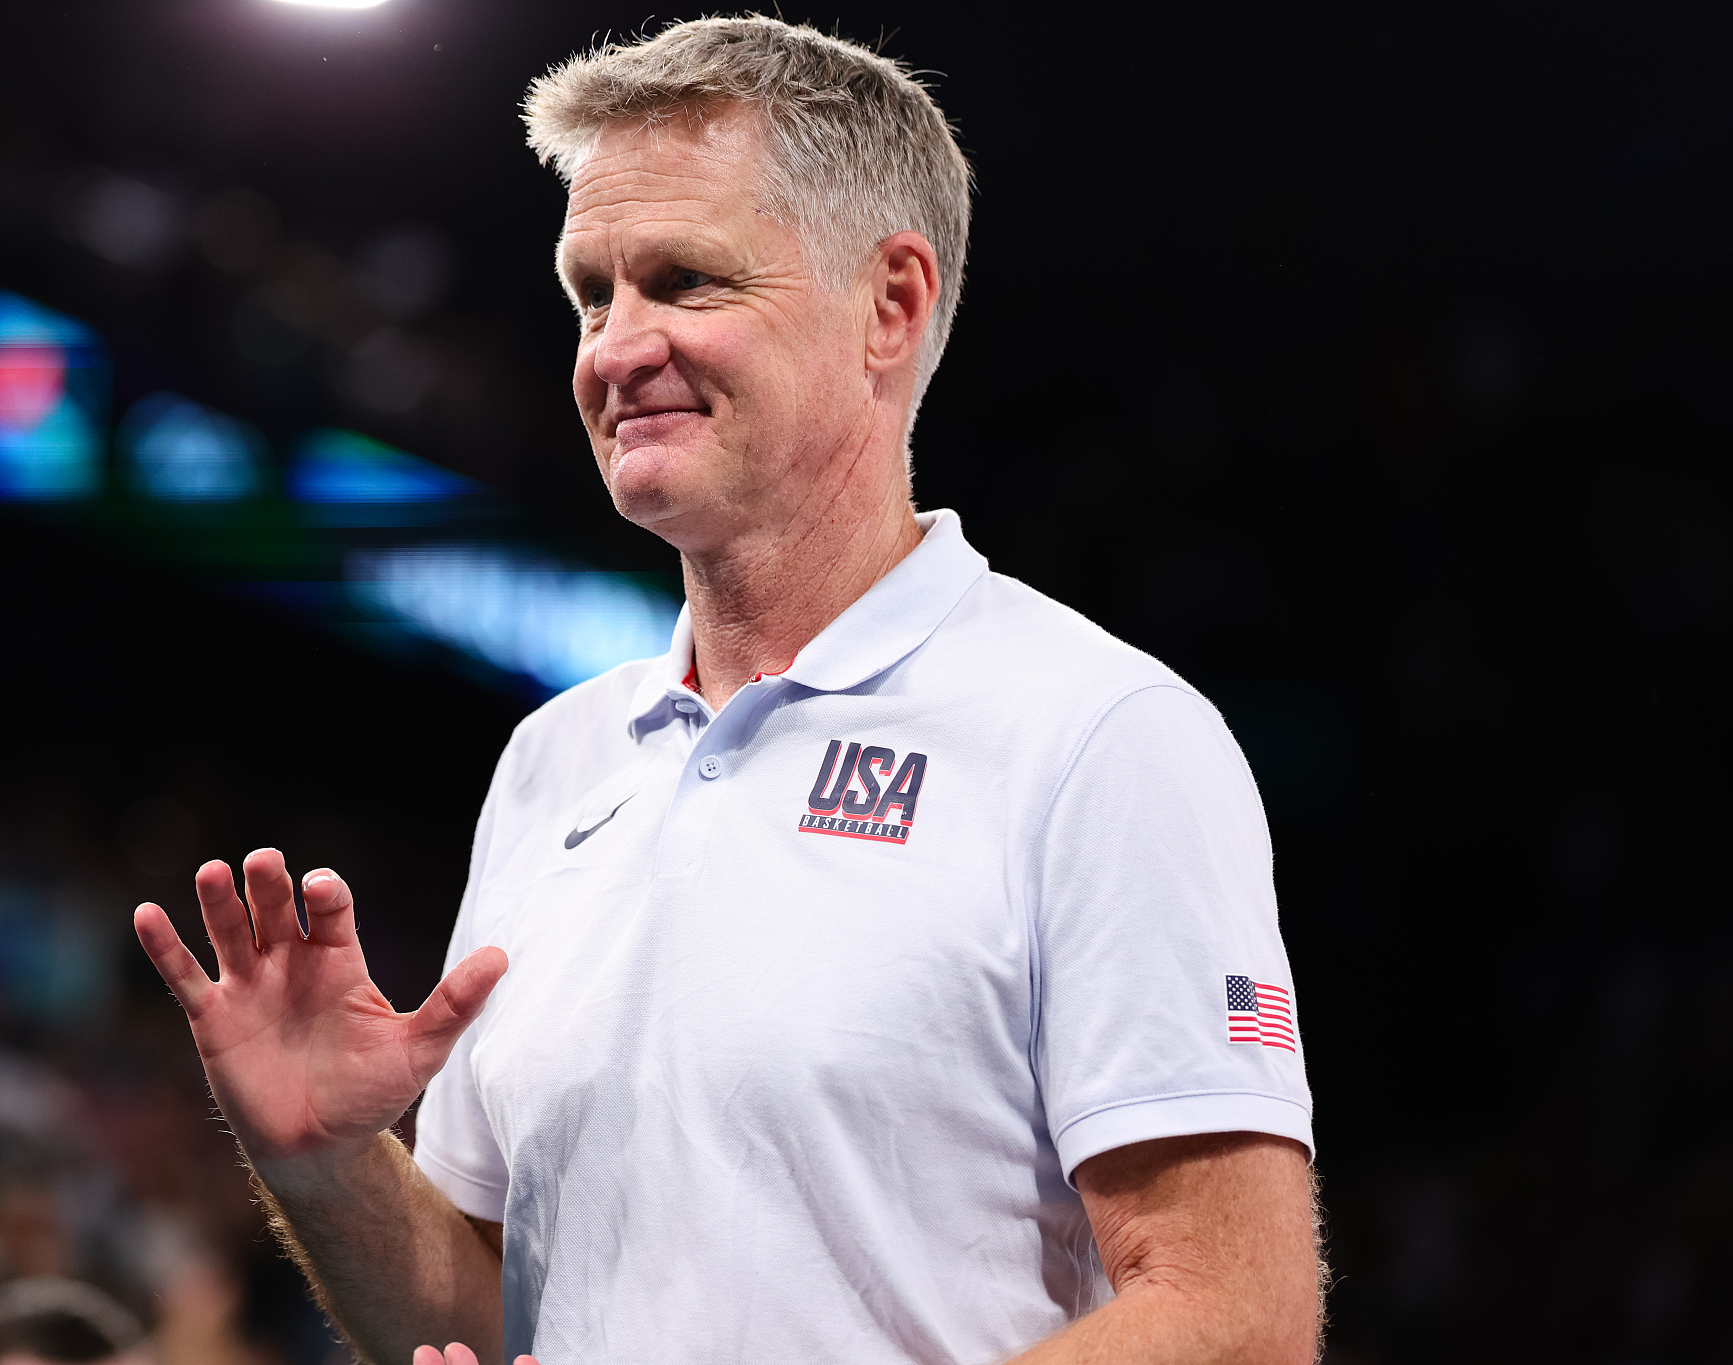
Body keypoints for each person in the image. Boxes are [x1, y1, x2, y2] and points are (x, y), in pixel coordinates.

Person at [133, 17, 1323, 1365]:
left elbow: (1236, 1318)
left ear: (892, 304)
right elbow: (497, 1312)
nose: (614, 348)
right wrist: (330, 1166)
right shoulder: (553, 762)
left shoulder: (1098, 735)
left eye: (685, 281)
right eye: (592, 294)